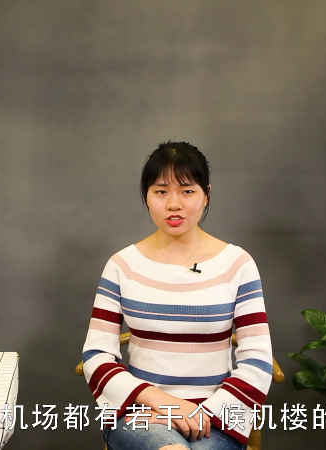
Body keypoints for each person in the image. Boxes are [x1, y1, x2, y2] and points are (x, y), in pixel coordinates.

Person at [81, 142, 273, 450]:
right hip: (142, 413)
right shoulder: (122, 265)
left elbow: (257, 360)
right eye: (161, 191)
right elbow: (97, 355)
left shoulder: (238, 264)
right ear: (146, 195)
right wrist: (162, 402)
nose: (174, 204)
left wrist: (200, 414)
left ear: (206, 194)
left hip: (216, 417)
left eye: (187, 191)